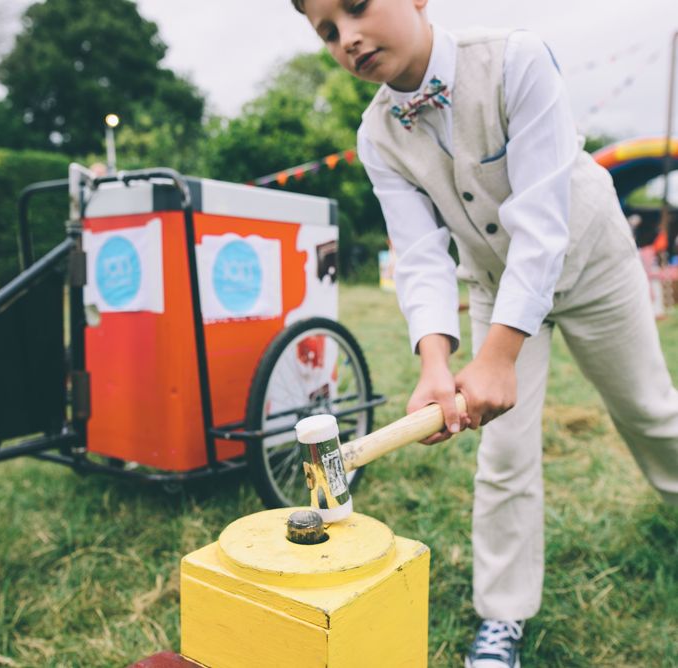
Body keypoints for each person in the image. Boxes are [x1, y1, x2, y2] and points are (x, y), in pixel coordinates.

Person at [290, 1, 678, 666]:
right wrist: (435, 366)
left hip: (590, 260)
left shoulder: (514, 59)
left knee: (648, 412)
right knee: (500, 459)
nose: (348, 36)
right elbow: (418, 255)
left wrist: (499, 357)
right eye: (327, 31)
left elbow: (542, 222)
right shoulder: (377, 134)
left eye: (356, 6)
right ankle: (502, 616)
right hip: (494, 284)